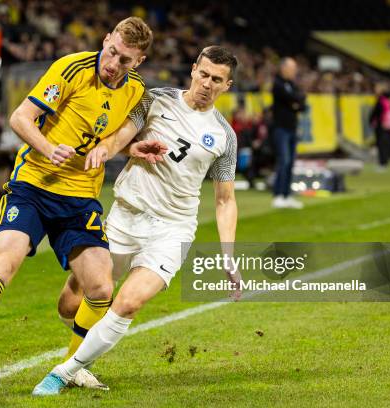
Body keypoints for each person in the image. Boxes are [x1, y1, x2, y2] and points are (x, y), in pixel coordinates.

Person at [0, 16, 154, 392]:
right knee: (3, 264)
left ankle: (72, 368)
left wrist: (124, 148)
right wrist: (50, 148)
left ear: (139, 63)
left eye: (125, 60)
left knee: (101, 287)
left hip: (80, 198)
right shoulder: (70, 69)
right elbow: (20, 118)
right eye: (112, 51)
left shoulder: (135, 91)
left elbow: (112, 133)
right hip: (33, 186)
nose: (113, 63)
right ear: (105, 40)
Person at [33, 45, 241, 395]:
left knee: (127, 303)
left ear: (227, 86)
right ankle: (81, 349)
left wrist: (228, 254)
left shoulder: (224, 137)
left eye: (216, 79)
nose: (207, 83)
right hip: (124, 218)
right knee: (72, 301)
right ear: (193, 70)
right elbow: (122, 136)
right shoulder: (155, 100)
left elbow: (225, 200)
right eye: (203, 74)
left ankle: (65, 372)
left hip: (172, 230)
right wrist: (108, 149)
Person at [271, 57, 306, 209]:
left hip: (292, 128)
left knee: (291, 162)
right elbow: (292, 99)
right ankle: (278, 195)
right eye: (292, 68)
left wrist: (295, 103)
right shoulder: (277, 84)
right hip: (281, 128)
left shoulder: (291, 85)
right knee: (283, 161)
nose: (294, 71)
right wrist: (295, 103)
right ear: (283, 68)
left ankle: (287, 195)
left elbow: (302, 101)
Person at [369, 82, 390, 171]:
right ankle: (385, 162)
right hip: (389, 125)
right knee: (385, 144)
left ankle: (382, 163)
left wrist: (371, 121)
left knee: (381, 145)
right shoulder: (388, 100)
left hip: (382, 125)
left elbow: (376, 113)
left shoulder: (381, 100)